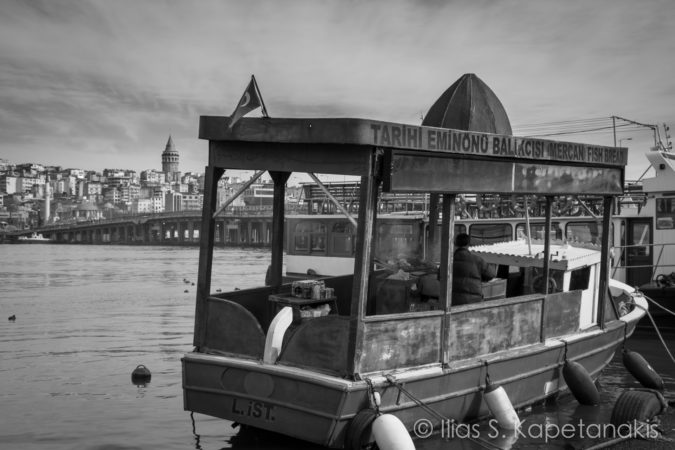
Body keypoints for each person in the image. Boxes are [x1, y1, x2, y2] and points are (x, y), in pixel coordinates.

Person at [452, 233, 496, 305]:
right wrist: (480, 278)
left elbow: (440, 277)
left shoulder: (448, 261)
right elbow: (492, 274)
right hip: (474, 301)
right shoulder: (477, 260)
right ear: (469, 244)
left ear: (455, 244)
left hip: (453, 301)